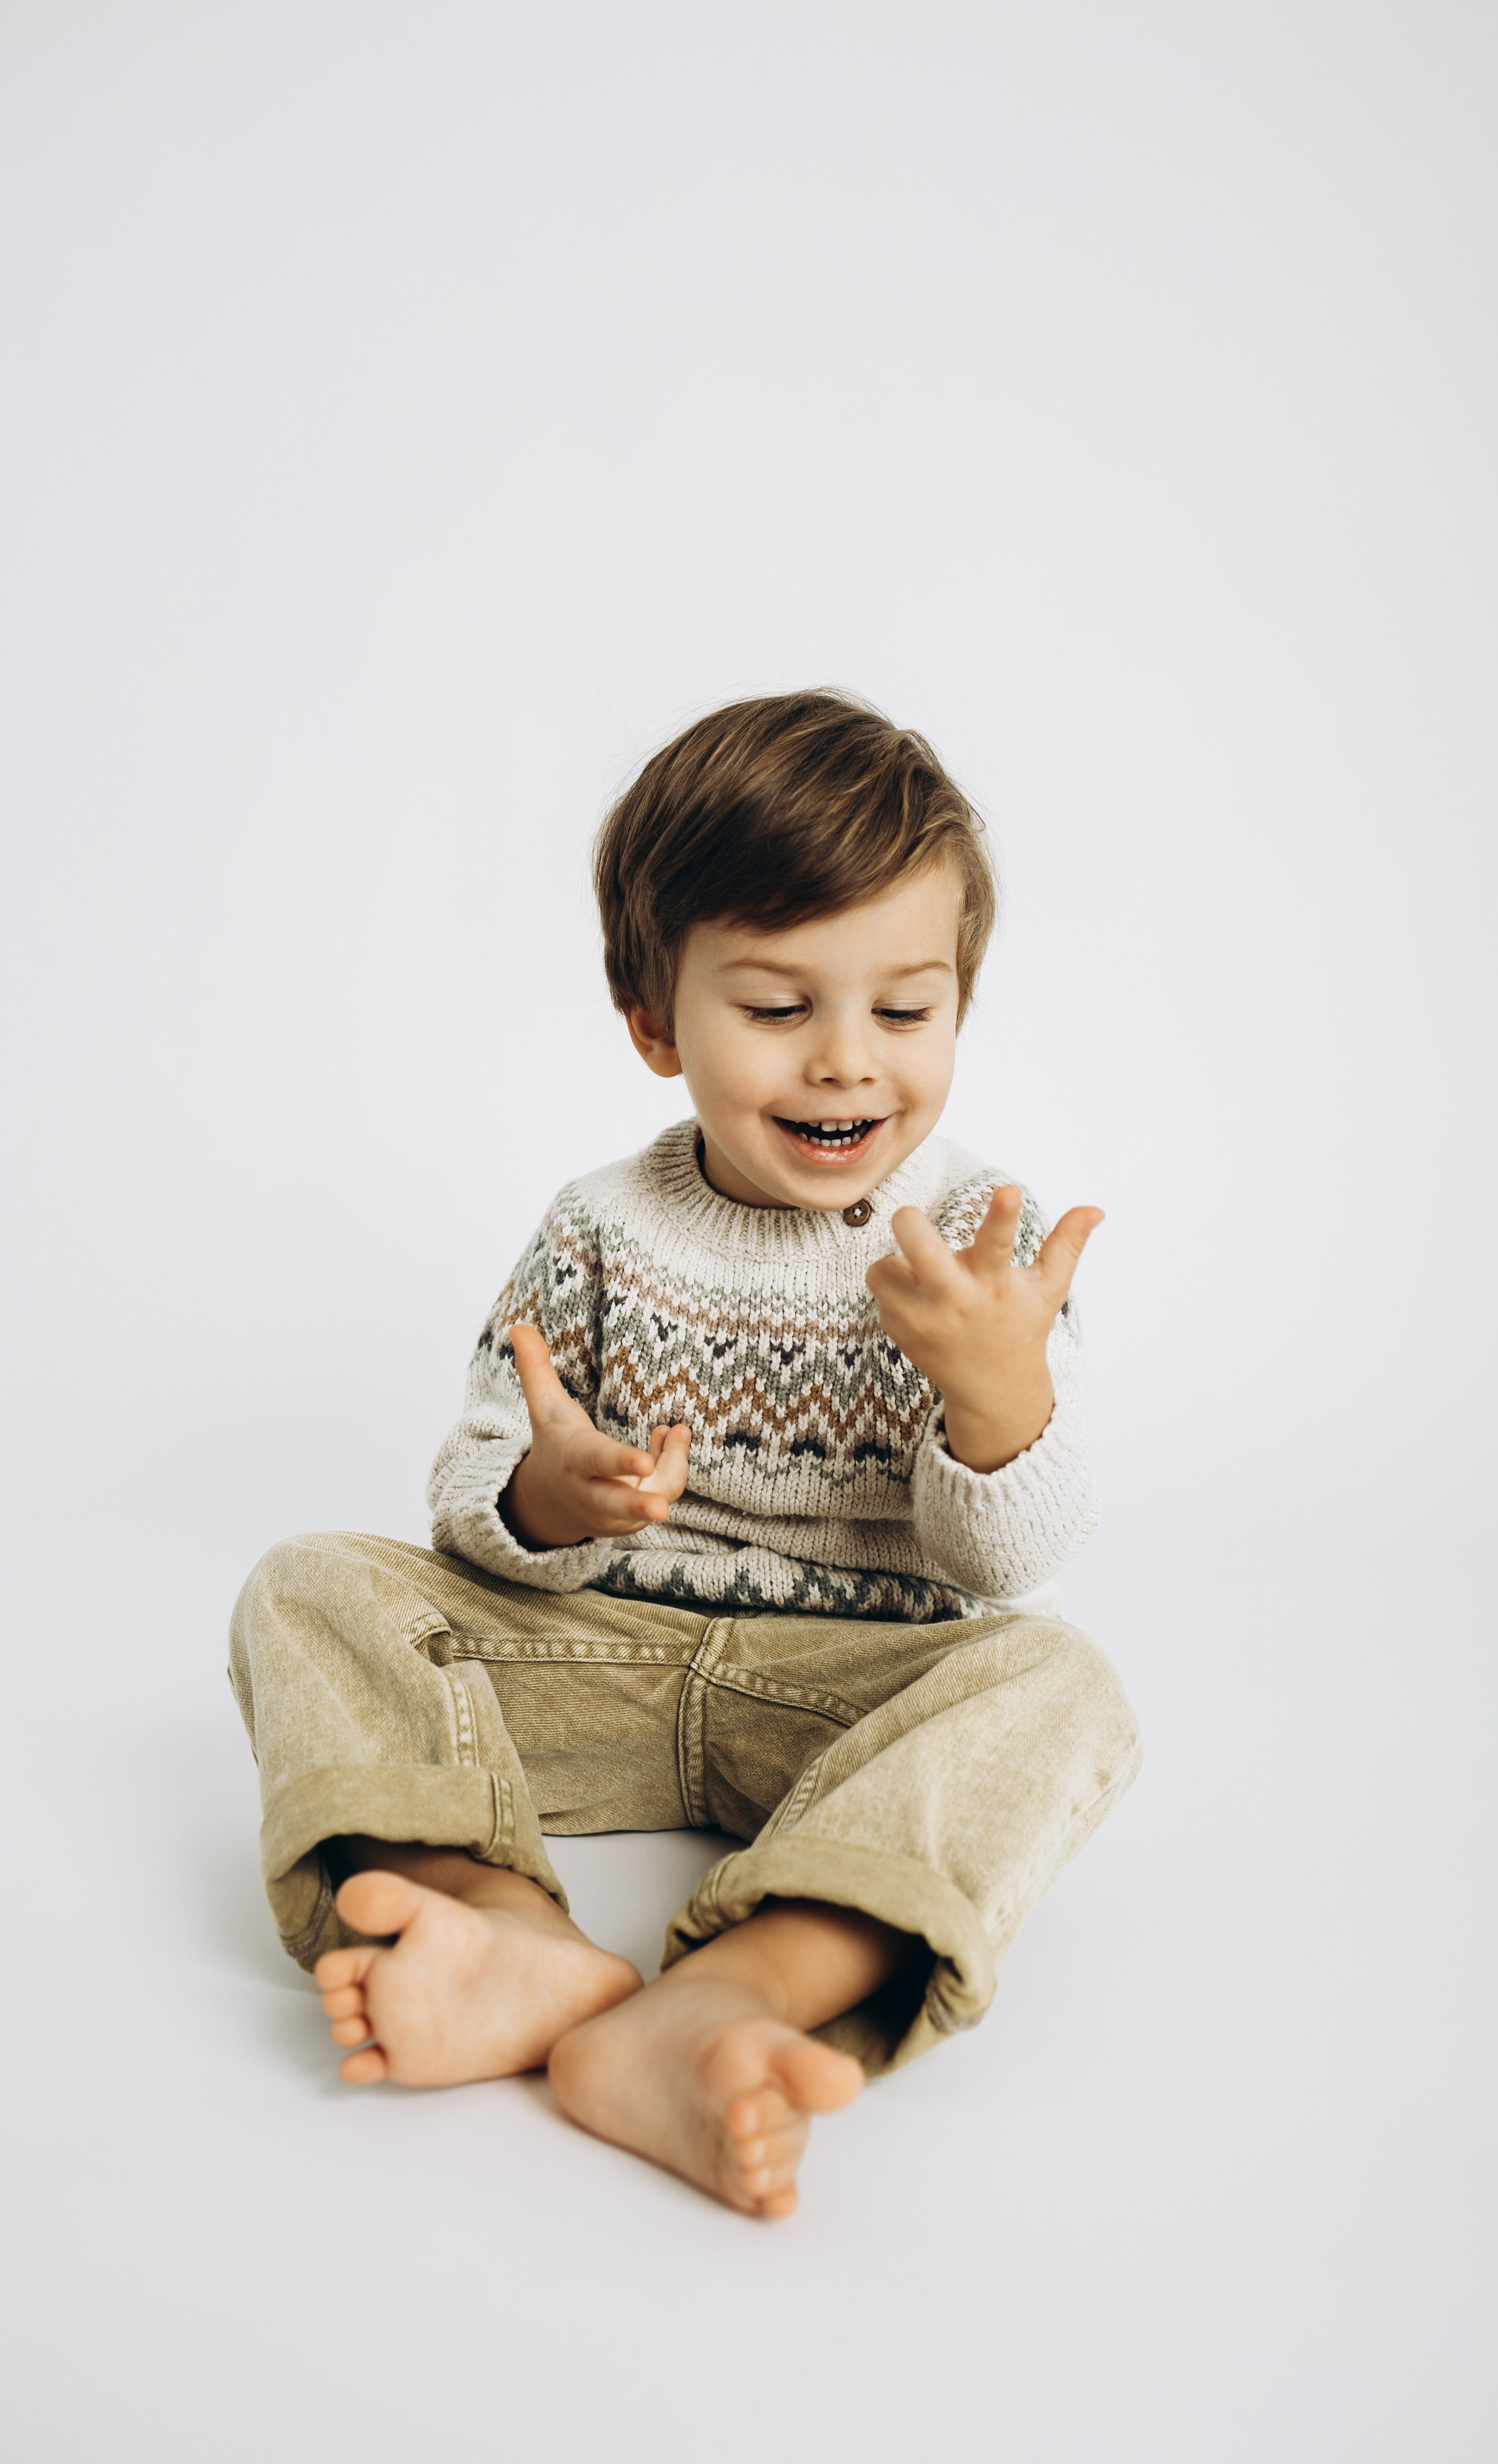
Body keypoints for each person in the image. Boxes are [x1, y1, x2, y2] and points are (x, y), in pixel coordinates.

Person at [229, 689, 1142, 2218]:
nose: (848, 1063)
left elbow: (1016, 1562)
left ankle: (734, 1994)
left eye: (903, 1012)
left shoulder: (987, 1246)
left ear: (957, 1008)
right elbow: (469, 1489)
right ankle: (490, 1918)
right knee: (312, 1583)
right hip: (594, 1648)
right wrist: (543, 1494)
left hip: (844, 1690)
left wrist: (997, 1395)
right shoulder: (597, 1227)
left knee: (1060, 1685)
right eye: (779, 1009)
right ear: (655, 1019)